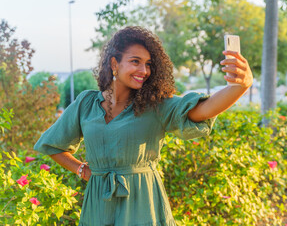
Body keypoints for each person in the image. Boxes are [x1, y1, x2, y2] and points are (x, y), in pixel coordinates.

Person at [33, 26, 253, 226]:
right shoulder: (86, 103)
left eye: (148, 64)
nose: (144, 70)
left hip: (142, 204)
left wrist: (242, 86)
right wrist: (82, 170)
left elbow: (203, 109)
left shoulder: (155, 105)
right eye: (135, 61)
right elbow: (53, 144)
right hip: (98, 206)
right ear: (114, 64)